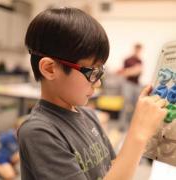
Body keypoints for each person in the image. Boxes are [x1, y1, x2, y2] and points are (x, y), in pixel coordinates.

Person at [18, 8, 167, 180]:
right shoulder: (38, 132)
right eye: (92, 72)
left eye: (100, 71)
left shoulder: (89, 116)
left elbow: (113, 169)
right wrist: (138, 134)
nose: (98, 82)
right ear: (50, 69)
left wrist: (144, 129)